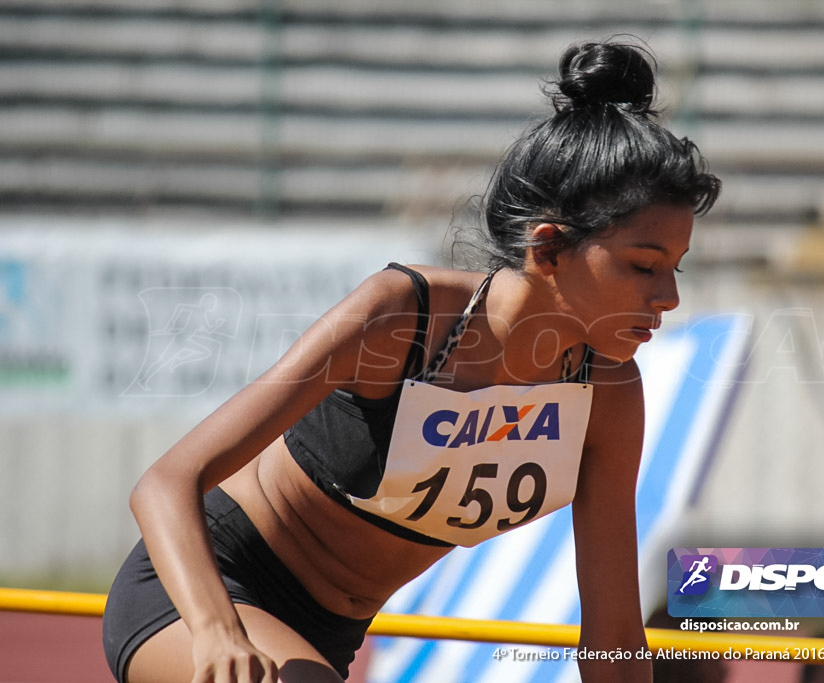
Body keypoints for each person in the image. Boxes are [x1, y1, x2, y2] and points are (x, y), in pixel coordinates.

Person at [102, 38, 721, 683]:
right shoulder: (402, 317)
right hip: (204, 593)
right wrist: (217, 631)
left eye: (676, 269)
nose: (669, 297)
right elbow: (165, 484)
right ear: (549, 248)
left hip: (332, 636)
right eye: (645, 266)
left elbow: (615, 635)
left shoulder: (609, 391)